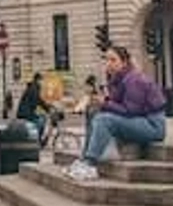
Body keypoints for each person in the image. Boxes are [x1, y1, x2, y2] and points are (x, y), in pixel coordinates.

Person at [64, 45, 166, 181]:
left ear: (124, 63)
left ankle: (90, 164)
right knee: (94, 112)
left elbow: (130, 110)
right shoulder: (119, 80)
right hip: (140, 121)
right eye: (106, 60)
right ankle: (84, 160)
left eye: (113, 60)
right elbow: (118, 106)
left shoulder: (133, 79)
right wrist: (102, 103)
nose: (108, 64)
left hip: (152, 125)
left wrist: (104, 103)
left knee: (104, 119)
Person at [16, 73, 52, 145]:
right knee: (41, 120)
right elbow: (37, 101)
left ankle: (37, 139)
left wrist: (47, 107)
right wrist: (47, 108)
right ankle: (36, 140)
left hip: (26, 111)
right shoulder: (34, 88)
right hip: (25, 113)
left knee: (41, 118)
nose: (42, 83)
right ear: (38, 80)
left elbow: (39, 100)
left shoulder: (34, 87)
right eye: (41, 80)